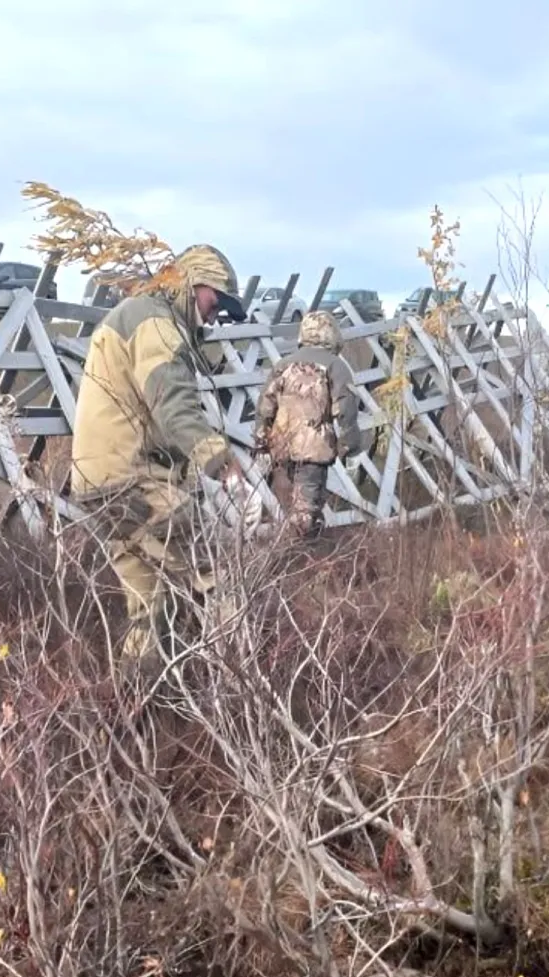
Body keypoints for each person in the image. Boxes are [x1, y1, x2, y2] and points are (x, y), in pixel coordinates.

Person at [68, 243, 247, 668]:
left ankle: (133, 716)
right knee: (215, 571)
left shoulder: (136, 316)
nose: (216, 312)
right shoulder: (157, 324)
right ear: (192, 283)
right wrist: (226, 468)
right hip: (135, 478)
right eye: (215, 300)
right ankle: (248, 686)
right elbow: (175, 407)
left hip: (99, 481)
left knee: (150, 608)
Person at [255, 310, 365, 536]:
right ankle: (303, 561)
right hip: (312, 453)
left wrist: (262, 443)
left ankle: (282, 561)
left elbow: (265, 407)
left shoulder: (283, 365)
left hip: (280, 450)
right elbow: (345, 409)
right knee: (306, 515)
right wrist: (349, 446)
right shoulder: (336, 366)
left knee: (285, 510)